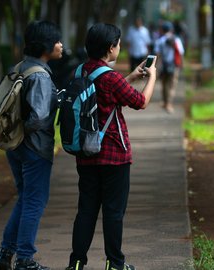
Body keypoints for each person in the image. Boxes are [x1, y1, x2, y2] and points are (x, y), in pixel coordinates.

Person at [66, 23, 157, 270]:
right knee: (113, 213)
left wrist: (131, 77)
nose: (119, 47)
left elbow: (104, 94)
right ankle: (115, 264)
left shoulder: (79, 72)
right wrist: (152, 78)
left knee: (85, 211)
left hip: (85, 153)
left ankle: (76, 264)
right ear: (110, 48)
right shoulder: (111, 78)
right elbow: (140, 101)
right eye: (117, 43)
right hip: (114, 156)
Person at [0, 20, 63, 270]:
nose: (61, 45)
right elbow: (39, 117)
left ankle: (5, 253)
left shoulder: (20, 67)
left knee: (24, 198)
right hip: (34, 147)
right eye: (57, 41)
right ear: (46, 46)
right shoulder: (41, 76)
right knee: (35, 201)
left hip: (15, 146)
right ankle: (24, 259)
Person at [154, 21, 184, 113]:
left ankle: (164, 102)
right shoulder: (176, 40)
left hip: (163, 66)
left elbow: (157, 55)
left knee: (164, 84)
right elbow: (181, 53)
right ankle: (169, 104)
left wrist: (156, 67)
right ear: (171, 30)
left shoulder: (159, 41)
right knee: (171, 86)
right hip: (174, 65)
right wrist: (181, 65)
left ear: (162, 30)